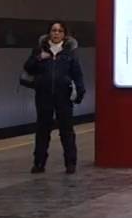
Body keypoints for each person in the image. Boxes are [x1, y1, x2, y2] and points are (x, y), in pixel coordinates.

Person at [22, 20, 85, 175]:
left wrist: (80, 93)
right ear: (49, 33)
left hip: (64, 96)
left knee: (66, 130)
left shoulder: (69, 53)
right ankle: (39, 163)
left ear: (64, 34)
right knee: (42, 130)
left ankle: (70, 163)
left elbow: (77, 74)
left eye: (59, 31)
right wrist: (39, 58)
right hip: (43, 95)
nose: (56, 33)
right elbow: (28, 67)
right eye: (54, 30)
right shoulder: (40, 50)